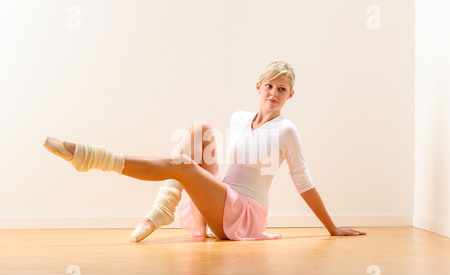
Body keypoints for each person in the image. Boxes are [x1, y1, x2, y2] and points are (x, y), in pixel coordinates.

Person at [43, 61, 366, 241]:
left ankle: (90, 158)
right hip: (221, 198)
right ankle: (165, 207)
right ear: (259, 86)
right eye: (269, 86)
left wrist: (332, 227)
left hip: (245, 214)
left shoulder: (286, 130)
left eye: (282, 89)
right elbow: (216, 166)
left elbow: (302, 180)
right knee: (199, 127)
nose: (274, 93)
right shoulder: (239, 119)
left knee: (182, 165)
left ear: (290, 95)